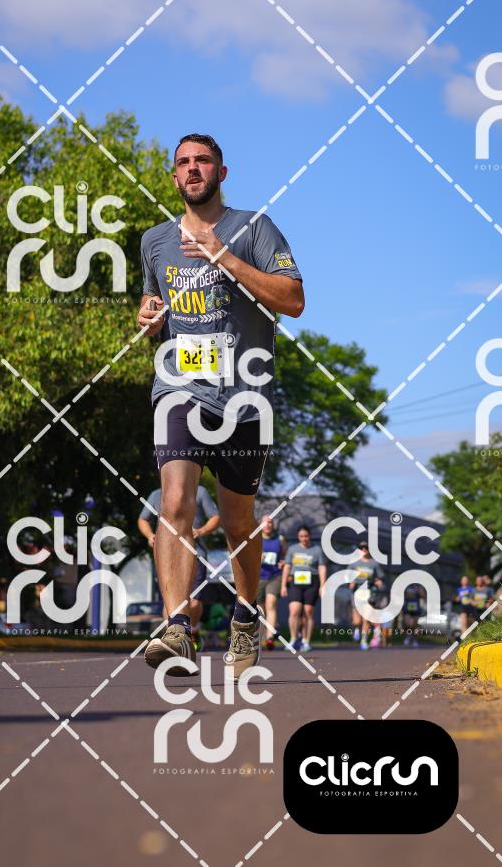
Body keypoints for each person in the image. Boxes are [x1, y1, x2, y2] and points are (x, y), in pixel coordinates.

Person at [137, 133, 304, 677]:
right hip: (180, 387)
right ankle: (176, 627)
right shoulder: (155, 241)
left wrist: (223, 257)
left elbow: (293, 299)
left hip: (245, 397)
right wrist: (148, 317)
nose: (193, 169)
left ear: (221, 172)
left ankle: (246, 614)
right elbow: (153, 303)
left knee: (237, 522)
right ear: (174, 176)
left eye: (203, 160)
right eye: (183, 162)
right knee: (175, 502)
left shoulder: (254, 228)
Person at [138, 485, 220, 646]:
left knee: (193, 602)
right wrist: (149, 535)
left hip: (196, 554)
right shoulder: (156, 494)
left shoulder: (200, 492)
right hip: (167, 555)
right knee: (170, 601)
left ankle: (193, 629)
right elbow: (143, 519)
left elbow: (215, 517)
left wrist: (201, 531)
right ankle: (172, 639)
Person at [281, 526, 326, 652]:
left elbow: (322, 567)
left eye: (306, 536)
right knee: (294, 610)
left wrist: (322, 585)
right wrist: (283, 585)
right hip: (295, 582)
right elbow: (287, 567)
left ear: (309, 536)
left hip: (312, 582)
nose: (304, 538)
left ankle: (306, 641)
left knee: (308, 611)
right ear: (298, 537)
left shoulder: (317, 549)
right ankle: (293, 639)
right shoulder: (292, 549)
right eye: (301, 536)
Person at [257, 515, 287, 651]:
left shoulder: (279, 539)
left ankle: (270, 638)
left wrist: (283, 562)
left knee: (271, 603)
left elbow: (285, 556)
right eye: (265, 522)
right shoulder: (255, 539)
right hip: (258, 577)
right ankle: (262, 636)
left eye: (270, 522)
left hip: (275, 576)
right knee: (260, 608)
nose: (268, 525)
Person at [349, 540, 385, 651]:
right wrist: (351, 582)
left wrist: (379, 582)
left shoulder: (374, 564)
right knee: (357, 621)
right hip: (357, 592)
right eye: (361, 548)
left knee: (366, 618)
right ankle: (356, 629)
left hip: (369, 592)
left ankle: (364, 640)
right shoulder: (354, 563)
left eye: (366, 548)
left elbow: (380, 577)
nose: (364, 550)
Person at [402, 583, 422, 647]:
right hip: (407, 606)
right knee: (407, 624)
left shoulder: (419, 586)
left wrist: (419, 591)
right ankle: (408, 636)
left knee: (414, 625)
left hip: (416, 607)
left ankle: (414, 639)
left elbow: (423, 596)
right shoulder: (407, 586)